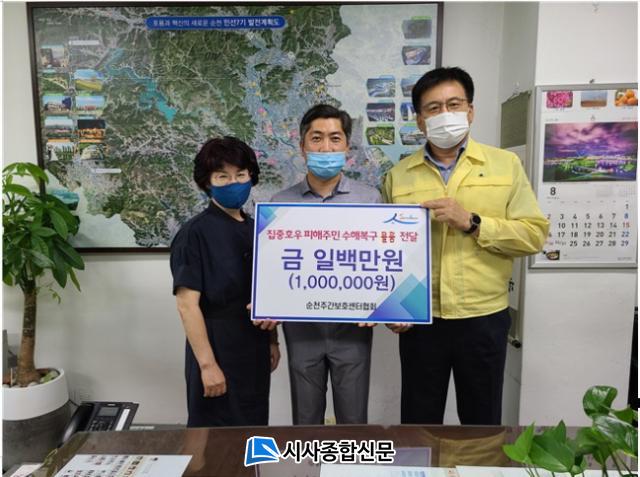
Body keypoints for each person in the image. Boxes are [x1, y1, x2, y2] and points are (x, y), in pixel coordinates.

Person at [382, 67, 549, 425]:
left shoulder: (505, 165)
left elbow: (533, 235)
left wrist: (473, 223)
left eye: (454, 104)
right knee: (419, 421)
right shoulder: (399, 175)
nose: (445, 114)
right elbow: (387, 253)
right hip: (421, 320)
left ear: (470, 111)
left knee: (481, 421)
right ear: (420, 120)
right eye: (433, 108)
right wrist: (393, 308)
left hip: (483, 317)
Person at [271, 104, 381, 425]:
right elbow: (274, 272)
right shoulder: (280, 203)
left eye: (335, 138)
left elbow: (380, 263)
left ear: (347, 146)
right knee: (305, 420)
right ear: (302, 145)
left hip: (353, 328)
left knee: (353, 419)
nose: (326, 147)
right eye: (316, 138)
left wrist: (383, 306)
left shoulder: (369, 199)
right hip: (301, 327)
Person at [170, 136, 279, 427]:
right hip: (217, 348)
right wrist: (207, 366)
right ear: (207, 182)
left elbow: (268, 291)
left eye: (240, 175)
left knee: (253, 428)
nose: (234, 183)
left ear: (251, 176)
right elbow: (187, 305)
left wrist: (273, 341)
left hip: (254, 348)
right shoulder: (194, 233)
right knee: (214, 441)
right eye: (223, 176)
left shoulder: (258, 229)